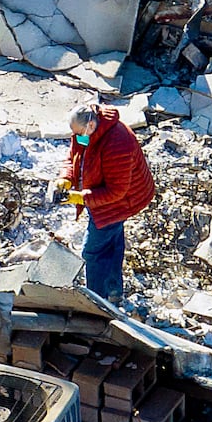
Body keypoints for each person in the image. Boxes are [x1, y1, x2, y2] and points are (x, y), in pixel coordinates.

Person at [55, 102, 155, 303]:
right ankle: (113, 292)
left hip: (123, 201)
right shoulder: (87, 131)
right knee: (112, 243)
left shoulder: (118, 144)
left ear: (91, 126)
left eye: (80, 134)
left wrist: (81, 197)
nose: (77, 137)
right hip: (105, 195)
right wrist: (66, 177)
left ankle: (97, 301)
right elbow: (75, 154)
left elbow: (116, 191)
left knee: (93, 252)